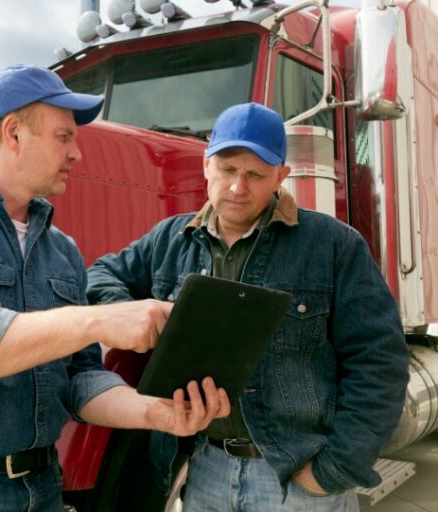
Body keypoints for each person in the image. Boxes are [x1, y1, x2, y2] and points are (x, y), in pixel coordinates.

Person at [0, 64, 230, 512]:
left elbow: (77, 379)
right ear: (14, 133)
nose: (77, 153)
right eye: (64, 137)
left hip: (41, 487)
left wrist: (154, 413)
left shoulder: (60, 250)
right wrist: (100, 319)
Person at [86, 102, 410, 511]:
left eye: (255, 174)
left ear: (281, 176)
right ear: (206, 166)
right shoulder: (169, 240)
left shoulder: (333, 246)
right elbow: (99, 275)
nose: (239, 187)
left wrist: (335, 470)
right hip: (204, 471)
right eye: (227, 169)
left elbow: (380, 361)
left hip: (297, 479)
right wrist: (134, 313)